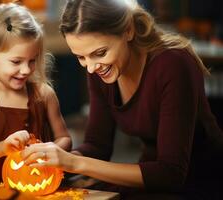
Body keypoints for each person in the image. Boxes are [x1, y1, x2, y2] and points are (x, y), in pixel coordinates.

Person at [21, 0, 223, 199]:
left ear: (128, 30)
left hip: (201, 182)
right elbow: (97, 146)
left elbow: (171, 173)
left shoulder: (173, 64)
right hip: (150, 177)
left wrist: (73, 163)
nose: (91, 68)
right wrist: (56, 159)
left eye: (100, 53)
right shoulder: (100, 70)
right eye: (81, 57)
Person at [0, 2, 72, 182]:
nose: (25, 70)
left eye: (32, 61)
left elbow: (64, 138)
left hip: (36, 187)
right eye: (16, 62)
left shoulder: (44, 94)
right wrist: (1, 148)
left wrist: (49, 150)